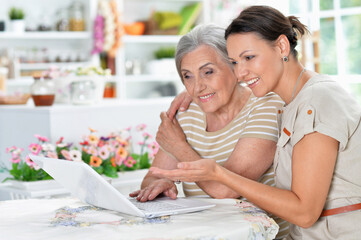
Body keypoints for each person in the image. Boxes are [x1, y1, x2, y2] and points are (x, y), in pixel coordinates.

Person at [150, 5, 361, 240]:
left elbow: (304, 212)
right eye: (234, 62)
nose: (240, 73)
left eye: (249, 57)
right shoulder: (294, 101)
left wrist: (219, 174)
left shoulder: (315, 101)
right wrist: (195, 91)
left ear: (281, 46)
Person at [130, 24, 288, 238]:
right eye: (188, 76)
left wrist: (179, 148)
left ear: (235, 68)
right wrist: (161, 185)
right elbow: (152, 177)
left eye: (208, 72)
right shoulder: (186, 114)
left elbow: (226, 191)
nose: (197, 87)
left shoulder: (266, 106)